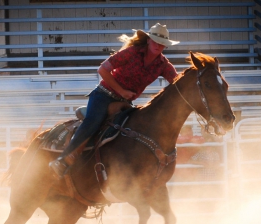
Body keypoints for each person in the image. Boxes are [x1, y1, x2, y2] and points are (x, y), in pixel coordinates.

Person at [49, 23, 180, 178]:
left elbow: (178, 82)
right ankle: (63, 160)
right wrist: (122, 91)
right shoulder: (131, 53)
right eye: (156, 41)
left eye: (162, 43)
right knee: (93, 122)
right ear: (148, 40)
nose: (158, 46)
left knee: (133, 132)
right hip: (103, 95)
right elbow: (103, 69)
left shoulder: (163, 65)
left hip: (124, 104)